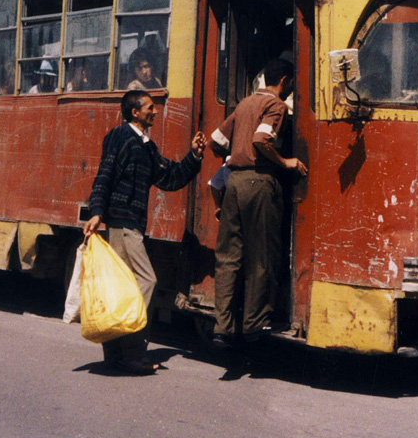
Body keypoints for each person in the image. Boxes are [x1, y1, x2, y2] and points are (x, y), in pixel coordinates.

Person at [83, 89, 206, 375]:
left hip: (132, 224)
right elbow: (105, 173)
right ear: (135, 112)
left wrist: (194, 156)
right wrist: (97, 212)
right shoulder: (121, 137)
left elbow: (170, 177)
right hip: (122, 224)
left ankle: (116, 354)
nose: (155, 111)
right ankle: (132, 353)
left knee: (121, 289)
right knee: (146, 281)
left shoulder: (146, 147)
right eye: (149, 107)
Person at [209, 58, 306, 347]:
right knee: (262, 256)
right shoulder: (276, 106)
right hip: (260, 181)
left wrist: (233, 159)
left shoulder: (244, 104)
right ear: (286, 81)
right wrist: (286, 161)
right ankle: (253, 324)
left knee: (228, 257)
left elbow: (215, 141)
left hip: (234, 183)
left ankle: (222, 327)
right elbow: (261, 139)